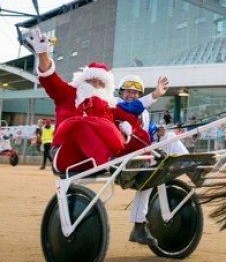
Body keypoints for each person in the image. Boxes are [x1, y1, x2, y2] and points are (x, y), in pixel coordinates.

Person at [26, 29, 127, 174]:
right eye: (92, 81)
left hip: (91, 160)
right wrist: (43, 55)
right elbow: (50, 79)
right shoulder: (68, 94)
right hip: (66, 156)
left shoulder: (107, 108)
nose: (95, 86)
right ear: (83, 80)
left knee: (117, 131)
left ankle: (138, 164)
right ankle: (112, 164)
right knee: (78, 124)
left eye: (100, 83)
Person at [115, 74, 170, 246]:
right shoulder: (116, 105)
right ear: (121, 92)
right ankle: (138, 228)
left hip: (143, 154)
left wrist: (158, 132)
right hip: (124, 157)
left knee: (170, 136)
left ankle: (195, 168)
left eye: (135, 92)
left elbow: (148, 132)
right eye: (128, 91)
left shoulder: (144, 113)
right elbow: (131, 108)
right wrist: (154, 95)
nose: (131, 95)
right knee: (149, 177)